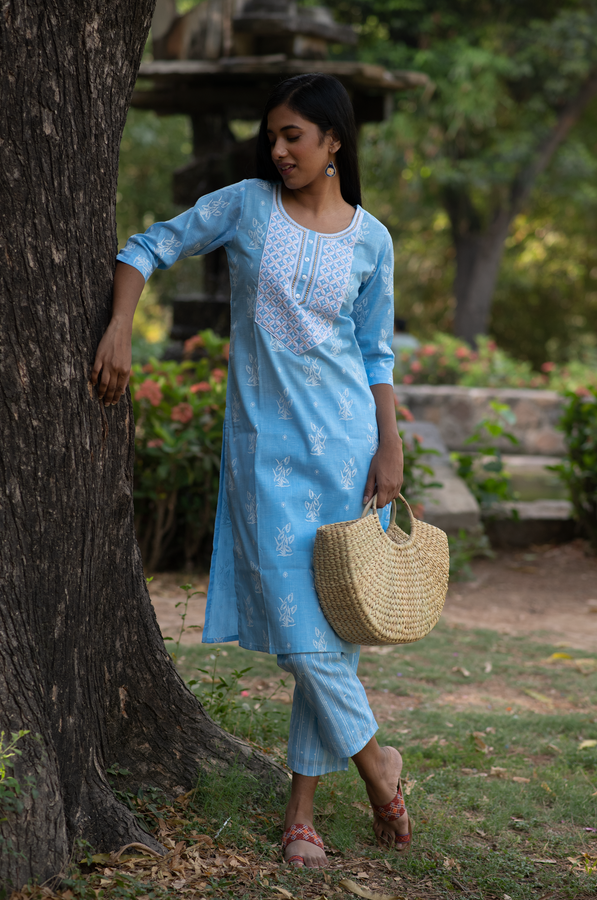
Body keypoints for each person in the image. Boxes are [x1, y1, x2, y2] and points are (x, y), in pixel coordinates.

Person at [92, 73, 410, 868]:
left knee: (328, 640)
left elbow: (376, 352)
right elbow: (148, 246)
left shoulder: (372, 239)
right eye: (271, 136)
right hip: (265, 455)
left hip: (345, 454)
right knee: (301, 640)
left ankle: (301, 815)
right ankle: (379, 762)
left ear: (334, 141)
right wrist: (121, 326)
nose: (277, 150)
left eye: (293, 136)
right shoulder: (244, 205)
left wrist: (389, 442)